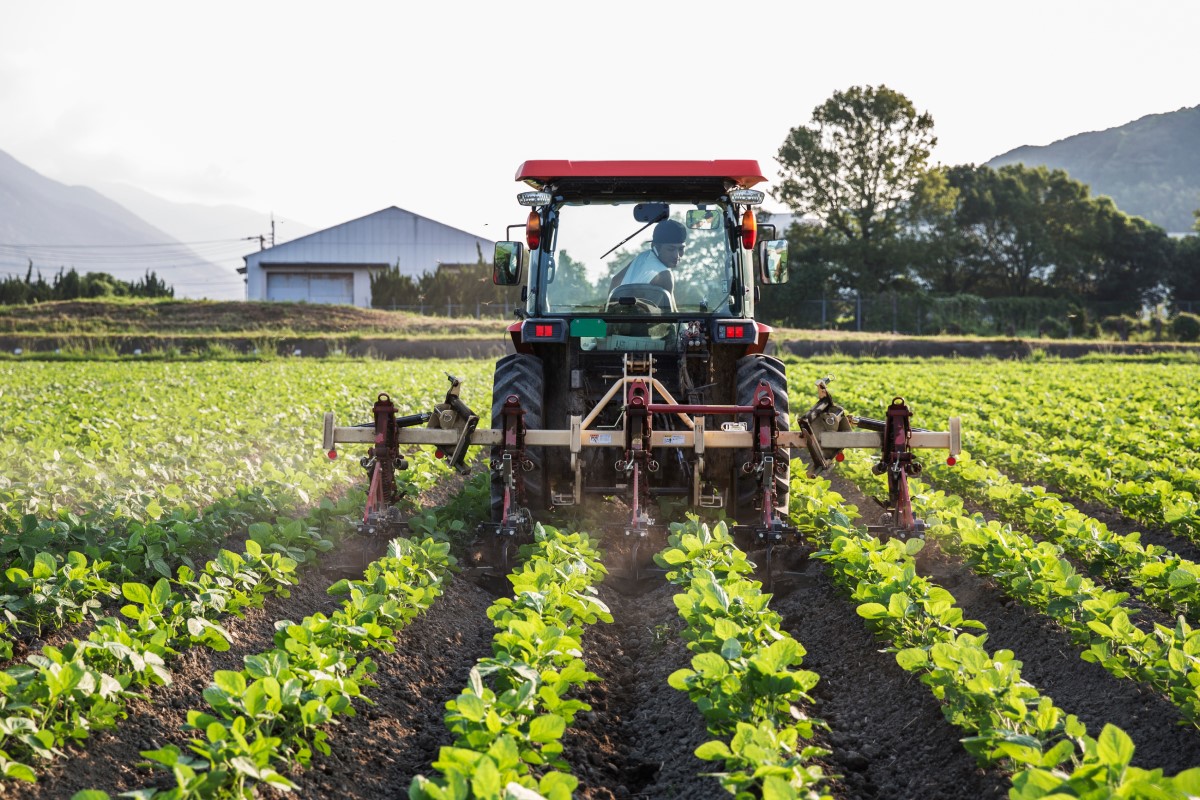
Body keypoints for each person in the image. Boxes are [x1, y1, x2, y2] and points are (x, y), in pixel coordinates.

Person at [608, 218, 688, 292]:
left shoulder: (642, 257)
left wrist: (611, 306)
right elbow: (670, 307)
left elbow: (616, 280)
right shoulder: (665, 275)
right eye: (670, 249)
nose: (676, 255)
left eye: (681, 249)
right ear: (655, 246)